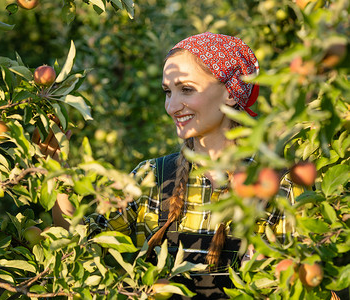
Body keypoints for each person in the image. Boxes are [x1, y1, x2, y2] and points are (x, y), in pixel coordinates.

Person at [52, 32, 302, 299]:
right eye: (167, 92)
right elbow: (79, 243)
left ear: (230, 92)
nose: (171, 107)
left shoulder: (280, 185)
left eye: (186, 89)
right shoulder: (152, 178)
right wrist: (53, 172)